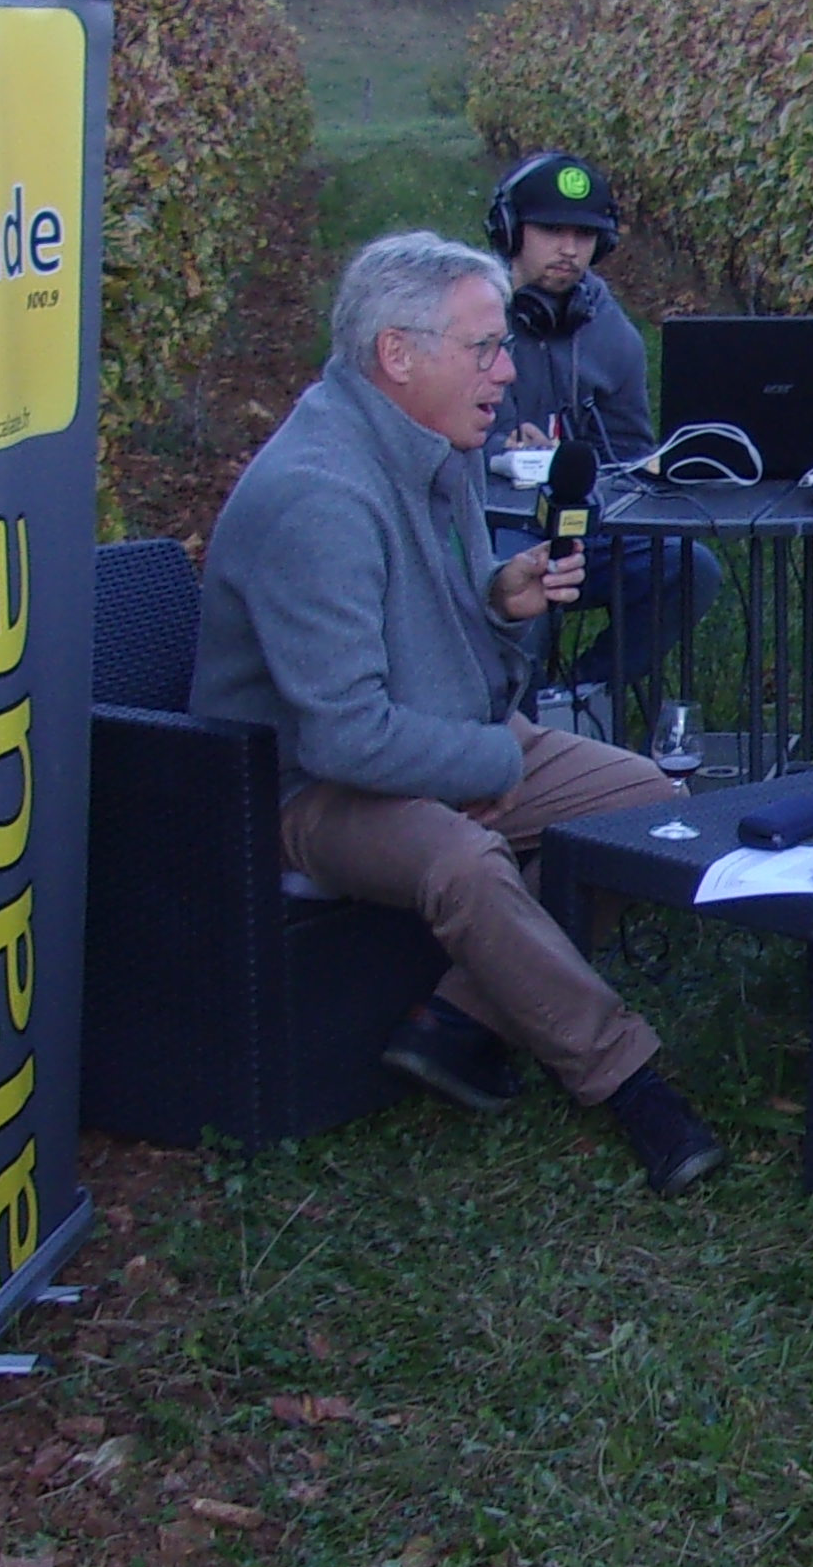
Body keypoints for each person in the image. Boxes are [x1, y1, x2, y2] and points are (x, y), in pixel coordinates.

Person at [190, 229, 727, 1198]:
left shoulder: (429, 449)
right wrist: (485, 768)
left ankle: (458, 1020)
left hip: (429, 738)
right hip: (304, 789)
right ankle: (627, 1082)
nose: (506, 372)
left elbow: (423, 635)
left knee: (645, 804)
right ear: (398, 354)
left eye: (502, 347)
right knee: (465, 860)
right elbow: (343, 737)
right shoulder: (319, 498)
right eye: (484, 349)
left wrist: (497, 599)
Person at [486, 148, 712, 718]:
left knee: (690, 568)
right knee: (526, 586)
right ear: (510, 231)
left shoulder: (612, 334)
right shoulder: (469, 317)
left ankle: (579, 700)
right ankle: (513, 726)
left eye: (584, 235)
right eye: (551, 231)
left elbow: (632, 459)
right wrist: (497, 453)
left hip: (583, 526)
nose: (569, 249)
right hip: (486, 528)